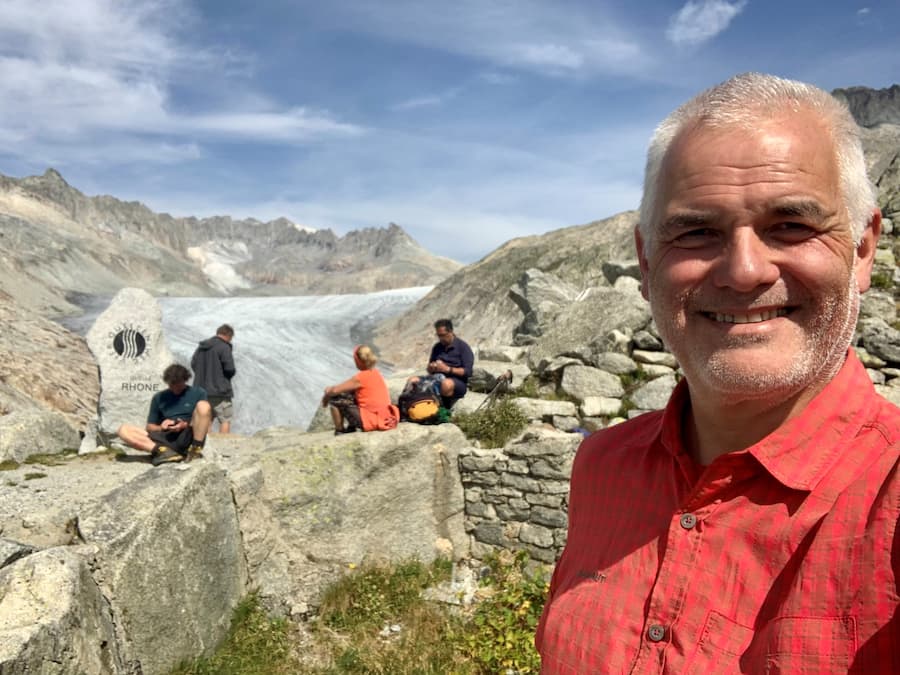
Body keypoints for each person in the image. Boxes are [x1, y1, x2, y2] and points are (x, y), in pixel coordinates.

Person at [536, 72, 900, 672]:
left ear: (862, 249)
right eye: (697, 232)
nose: (744, 271)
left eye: (792, 225)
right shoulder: (601, 465)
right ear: (646, 261)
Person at [116, 363, 212, 466]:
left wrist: (184, 425)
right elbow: (150, 427)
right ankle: (164, 452)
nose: (175, 388)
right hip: (166, 437)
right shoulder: (159, 397)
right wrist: (161, 427)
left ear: (185, 380)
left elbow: (204, 417)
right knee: (123, 430)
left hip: (188, 435)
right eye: (172, 385)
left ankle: (194, 450)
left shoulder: (198, 393)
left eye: (178, 384)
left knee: (204, 405)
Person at [321, 345, 400, 434]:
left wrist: (327, 393)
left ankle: (340, 430)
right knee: (351, 394)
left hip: (370, 420)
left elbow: (335, 391)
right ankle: (351, 427)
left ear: (358, 361)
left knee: (335, 399)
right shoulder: (375, 372)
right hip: (385, 417)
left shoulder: (360, 377)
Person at [406, 319, 475, 408]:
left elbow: (468, 372)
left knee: (445, 384)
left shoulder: (463, 348)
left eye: (443, 335)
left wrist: (447, 369)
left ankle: (442, 407)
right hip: (436, 378)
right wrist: (432, 367)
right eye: (439, 336)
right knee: (412, 380)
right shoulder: (437, 347)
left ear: (451, 332)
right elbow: (429, 369)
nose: (441, 338)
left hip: (456, 381)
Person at [190, 323, 236, 434]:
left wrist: (203, 376)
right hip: (220, 391)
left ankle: (206, 443)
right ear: (228, 335)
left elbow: (193, 364)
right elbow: (229, 368)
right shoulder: (224, 347)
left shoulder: (201, 347)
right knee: (225, 420)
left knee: (206, 419)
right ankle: (223, 443)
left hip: (201, 391)